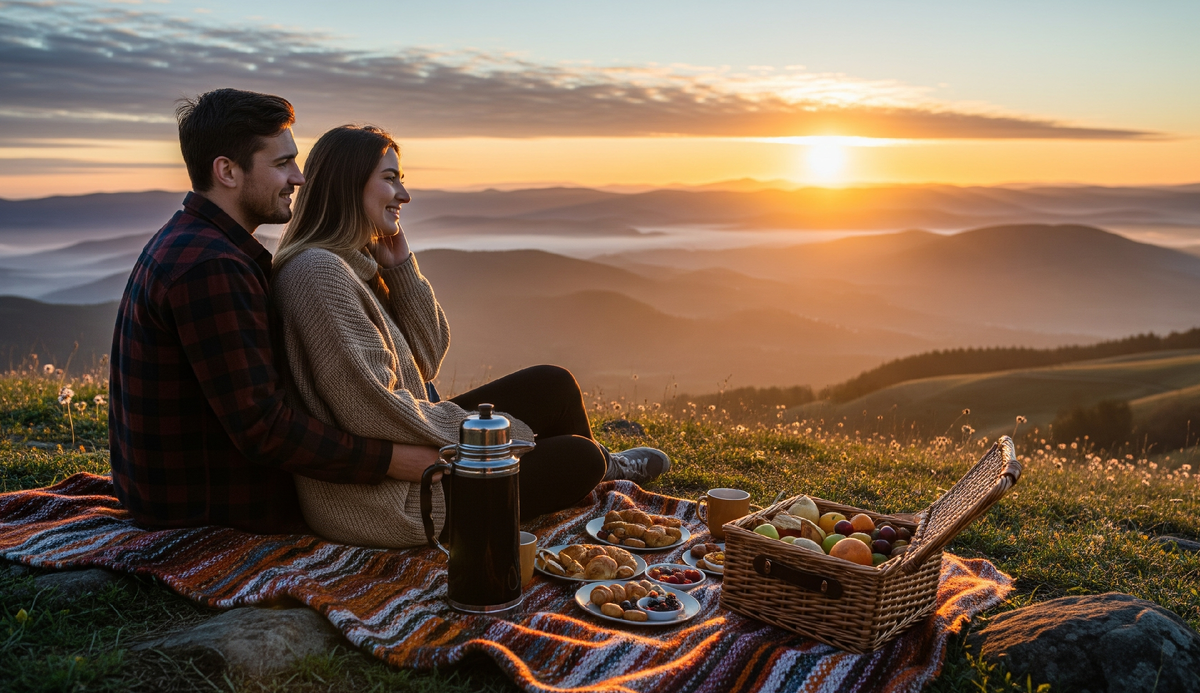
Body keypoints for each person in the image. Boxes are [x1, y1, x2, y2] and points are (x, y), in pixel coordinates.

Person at [270, 124, 670, 548]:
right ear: (347, 184)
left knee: (554, 384)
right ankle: (598, 469)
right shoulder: (318, 273)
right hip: (392, 503)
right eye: (390, 179)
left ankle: (602, 470)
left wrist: (400, 267)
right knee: (578, 456)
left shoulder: (352, 264)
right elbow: (372, 410)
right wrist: (498, 434)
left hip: (409, 457)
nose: (403, 195)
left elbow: (425, 356)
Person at [109, 89, 442, 534]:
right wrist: (395, 461)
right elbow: (263, 428)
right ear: (227, 171)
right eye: (282, 163)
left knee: (544, 398)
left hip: (179, 494)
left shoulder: (201, 245)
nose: (299, 178)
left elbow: (418, 365)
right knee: (560, 450)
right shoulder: (212, 268)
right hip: (210, 507)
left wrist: (399, 270)